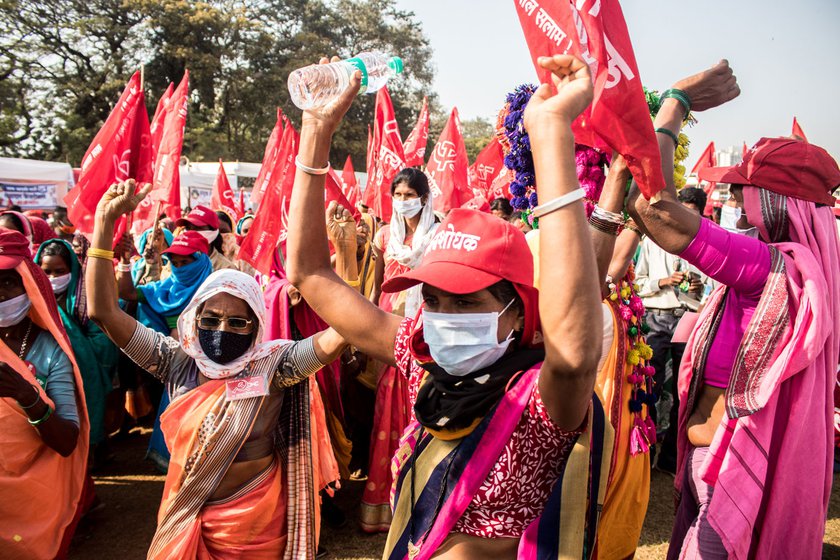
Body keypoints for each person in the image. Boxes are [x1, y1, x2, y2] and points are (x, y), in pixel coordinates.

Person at [287, 54, 611, 559]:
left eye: (465, 301)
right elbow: (310, 274)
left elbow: (574, 355)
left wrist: (550, 137)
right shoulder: (426, 368)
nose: (441, 319)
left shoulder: (538, 400)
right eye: (433, 300)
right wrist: (314, 132)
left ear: (517, 310)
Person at [628, 61, 839, 559]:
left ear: (769, 199)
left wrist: (675, 101)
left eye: (742, 186)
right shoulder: (802, 268)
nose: (734, 195)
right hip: (734, 460)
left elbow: (653, 207)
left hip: (728, 464)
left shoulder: (768, 264)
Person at [86, 179, 349, 558]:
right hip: (189, 517)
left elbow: (340, 334)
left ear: (257, 325)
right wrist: (104, 225)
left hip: (257, 527)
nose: (221, 330)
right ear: (195, 319)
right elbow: (104, 311)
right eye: (210, 319)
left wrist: (346, 256)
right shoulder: (177, 361)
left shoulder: (275, 366)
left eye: (237, 323)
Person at [0, 229, 89, 559]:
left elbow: (67, 441)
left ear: (29, 285)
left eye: (8, 282)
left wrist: (26, 395)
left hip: (35, 487)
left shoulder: (51, 350)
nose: (0, 293)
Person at [634, 198, 705, 474]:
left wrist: (698, 284)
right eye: (682, 211)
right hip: (657, 316)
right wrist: (663, 281)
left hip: (688, 317)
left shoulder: (702, 242)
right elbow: (638, 282)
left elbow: (709, 287)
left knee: (682, 391)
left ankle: (672, 458)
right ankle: (646, 454)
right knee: (649, 387)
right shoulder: (652, 241)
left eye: (693, 213)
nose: (686, 217)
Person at [35, 239, 119, 461]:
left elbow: (101, 336)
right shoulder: (33, 297)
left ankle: (91, 454)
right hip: (45, 368)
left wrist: (73, 344)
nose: (53, 278)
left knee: (86, 413)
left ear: (71, 269)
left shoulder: (85, 297)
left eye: (59, 271)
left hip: (85, 369)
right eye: (47, 271)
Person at [176, 205, 237, 271]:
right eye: (188, 228)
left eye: (197, 228)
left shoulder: (226, 268)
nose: (190, 232)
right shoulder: (176, 261)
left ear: (213, 232)